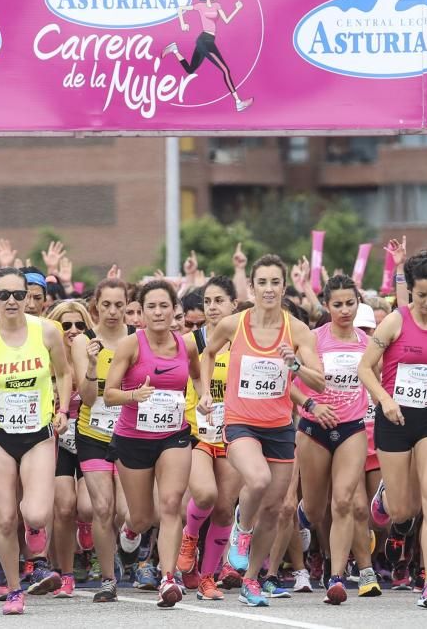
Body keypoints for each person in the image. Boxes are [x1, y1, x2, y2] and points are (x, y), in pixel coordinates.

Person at [198, 254, 324, 608]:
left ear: (284, 287)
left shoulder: (297, 330)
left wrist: (294, 364)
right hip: (240, 422)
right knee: (257, 480)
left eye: (275, 283)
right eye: (262, 283)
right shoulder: (234, 324)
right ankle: (242, 525)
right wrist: (206, 392)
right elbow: (206, 355)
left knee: (276, 508)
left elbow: (319, 380)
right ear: (251, 288)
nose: (269, 289)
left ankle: (251, 580)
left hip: (280, 427)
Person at [359, 248, 427, 611]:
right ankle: (386, 499)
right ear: (411, 290)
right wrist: (385, 400)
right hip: (393, 419)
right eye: (422, 295)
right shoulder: (394, 322)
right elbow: (365, 368)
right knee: (403, 510)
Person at [0, 267, 72, 615]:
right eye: (4, 294)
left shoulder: (47, 332)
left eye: (19, 295)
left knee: (36, 513)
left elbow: (65, 373)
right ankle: (13, 589)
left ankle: (33, 544)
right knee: (5, 518)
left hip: (38, 433)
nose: (12, 301)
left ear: (29, 297)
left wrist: (63, 409)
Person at [104, 280, 202, 608]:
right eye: (151, 307)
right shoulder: (131, 345)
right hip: (133, 438)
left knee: (171, 504)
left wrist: (202, 400)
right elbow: (109, 393)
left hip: (174, 435)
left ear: (175, 310)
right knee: (143, 516)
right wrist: (135, 395)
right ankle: (130, 534)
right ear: (141, 313)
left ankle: (168, 577)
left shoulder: (186, 346)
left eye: (164, 306)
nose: (158, 312)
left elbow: (198, 377)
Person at [291, 275, 376, 604]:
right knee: (315, 510)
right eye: (337, 304)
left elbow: (376, 380)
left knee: (343, 502)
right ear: (326, 306)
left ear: (358, 303)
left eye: (350, 303)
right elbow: (289, 382)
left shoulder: (367, 344)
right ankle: (301, 517)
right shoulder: (312, 338)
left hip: (352, 428)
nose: (344, 310)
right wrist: (311, 403)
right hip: (314, 428)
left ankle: (337, 577)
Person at [180, 276, 244, 600]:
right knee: (204, 494)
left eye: (219, 300)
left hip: (234, 434)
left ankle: (208, 578)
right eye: (207, 301)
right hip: (199, 432)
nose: (212, 307)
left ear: (235, 303)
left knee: (223, 509)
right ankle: (189, 538)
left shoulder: (247, 339)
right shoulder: (194, 341)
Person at [70, 279, 133, 603]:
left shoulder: (136, 340)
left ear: (127, 306)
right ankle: (108, 578)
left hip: (128, 434)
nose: (112, 311)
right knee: (102, 508)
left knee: (127, 513)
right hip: (92, 434)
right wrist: (93, 366)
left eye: (118, 305)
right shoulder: (84, 341)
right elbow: (87, 396)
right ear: (96, 304)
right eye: (106, 304)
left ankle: (128, 544)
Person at [46, 299, 95, 599]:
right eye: (66, 325)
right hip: (58, 442)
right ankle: (65, 573)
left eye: (80, 325)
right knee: (63, 507)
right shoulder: (45, 357)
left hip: (90, 437)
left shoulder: (92, 354)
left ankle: (85, 525)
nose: (74, 330)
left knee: (87, 507)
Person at [163, 0, 253, 112]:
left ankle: (175, 50)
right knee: (225, 70)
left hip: (209, 40)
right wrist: (183, 23)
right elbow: (180, 8)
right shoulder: (200, 6)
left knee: (190, 70)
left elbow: (227, 20)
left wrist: (237, 9)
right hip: (204, 40)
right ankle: (238, 102)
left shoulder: (217, 6)